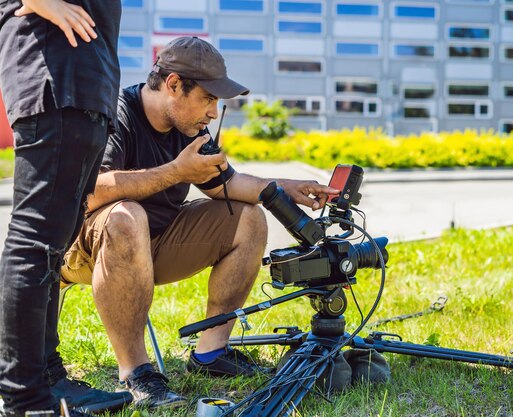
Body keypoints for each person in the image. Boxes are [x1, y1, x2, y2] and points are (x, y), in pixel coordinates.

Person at [58, 36, 338, 409]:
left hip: (155, 242)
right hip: (86, 245)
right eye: (208, 99)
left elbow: (227, 183)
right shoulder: (113, 111)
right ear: (173, 85)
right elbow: (91, 192)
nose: (212, 112)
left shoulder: (190, 127)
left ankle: (211, 353)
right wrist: (176, 171)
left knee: (248, 218)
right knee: (128, 216)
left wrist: (286, 189)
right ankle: (137, 372)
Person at [0, 1, 134, 416]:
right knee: (34, 242)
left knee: (53, 246)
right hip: (56, 81)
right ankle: (23, 397)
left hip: (87, 89)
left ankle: (48, 377)